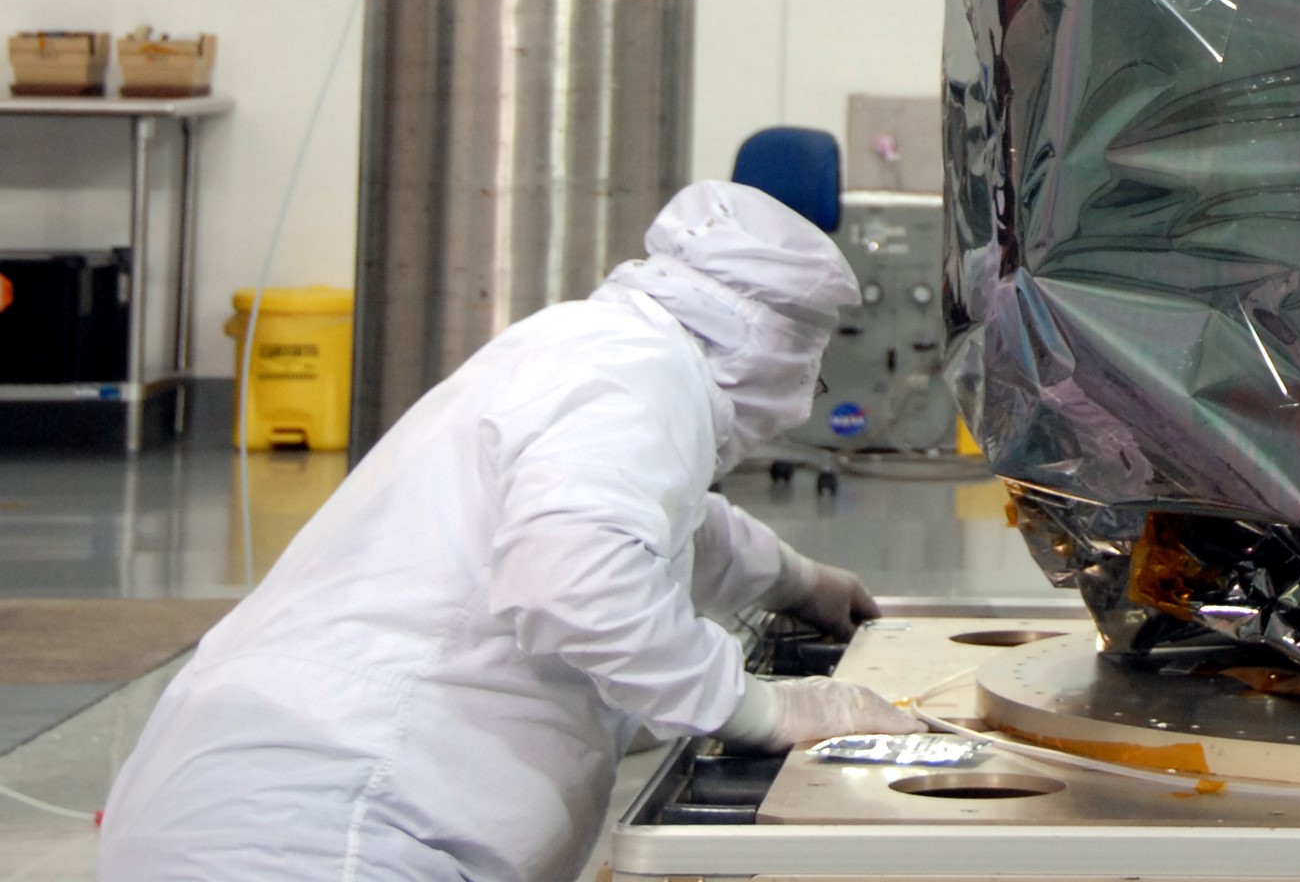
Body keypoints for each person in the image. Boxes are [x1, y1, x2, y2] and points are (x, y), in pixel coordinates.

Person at [100, 181, 920, 882]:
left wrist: (796, 581)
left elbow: (662, 525)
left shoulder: (596, 349)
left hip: (295, 794)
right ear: (774, 347)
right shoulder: (634, 374)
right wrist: (758, 708)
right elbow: (577, 578)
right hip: (330, 827)